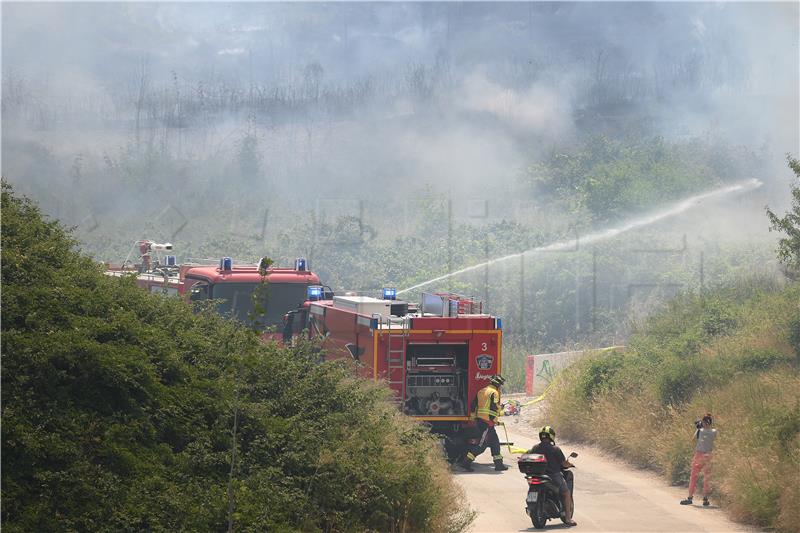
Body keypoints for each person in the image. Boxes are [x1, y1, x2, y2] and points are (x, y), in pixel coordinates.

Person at [529, 426, 577, 527]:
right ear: (551, 436)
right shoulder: (555, 449)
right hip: (553, 475)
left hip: (536, 475)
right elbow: (563, 464)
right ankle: (568, 518)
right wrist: (570, 464)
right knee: (566, 492)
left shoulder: (535, 448)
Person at [461, 374, 509, 472]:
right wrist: (503, 412)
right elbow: (493, 409)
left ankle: (499, 465)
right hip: (487, 424)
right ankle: (466, 463)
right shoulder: (494, 393)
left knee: (495, 443)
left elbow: (474, 405)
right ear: (498, 384)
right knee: (481, 446)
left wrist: (474, 418)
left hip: (482, 422)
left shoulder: (481, 391)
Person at [681, 413, 717, 506]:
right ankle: (705, 499)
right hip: (709, 455)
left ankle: (690, 497)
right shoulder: (714, 431)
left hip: (699, 455)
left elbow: (693, 440)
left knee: (693, 476)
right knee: (707, 477)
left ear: (704, 422)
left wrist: (697, 429)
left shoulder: (699, 431)